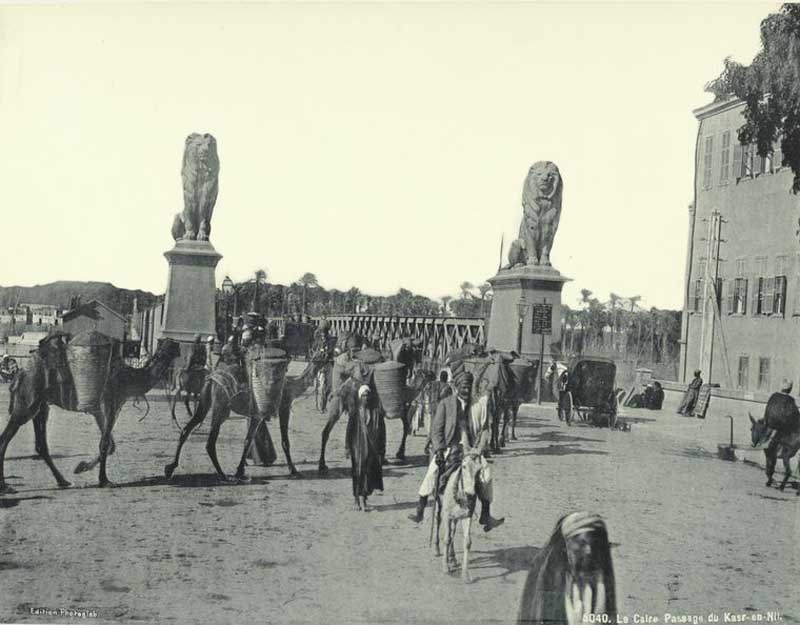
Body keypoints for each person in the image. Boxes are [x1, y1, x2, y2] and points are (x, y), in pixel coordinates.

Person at [409, 371, 504, 532]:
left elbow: (485, 429)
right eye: (463, 387)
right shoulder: (446, 404)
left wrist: (480, 449)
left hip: (472, 451)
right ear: (457, 387)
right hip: (449, 448)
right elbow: (436, 431)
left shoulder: (478, 405)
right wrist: (439, 450)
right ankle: (420, 508)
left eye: (469, 387)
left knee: (486, 476)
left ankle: (486, 515)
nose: (466, 391)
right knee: (432, 473)